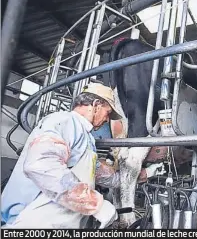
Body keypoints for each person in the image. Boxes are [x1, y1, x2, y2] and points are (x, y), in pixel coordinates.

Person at [1, 83, 123, 229]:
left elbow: (98, 172)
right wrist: (95, 204)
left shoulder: (86, 137)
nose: (107, 120)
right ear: (96, 105)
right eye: (108, 113)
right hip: (32, 223)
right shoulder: (65, 121)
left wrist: (140, 174)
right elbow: (41, 166)